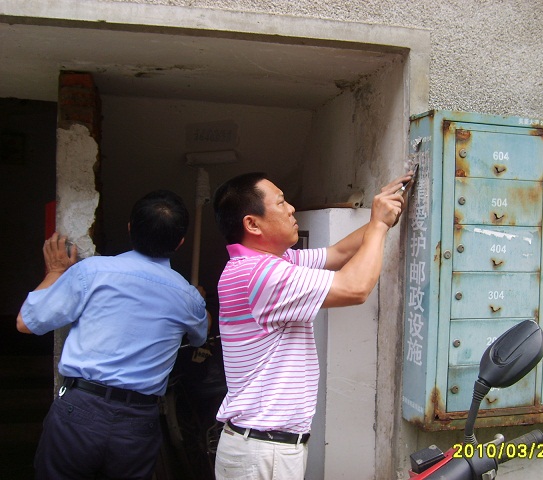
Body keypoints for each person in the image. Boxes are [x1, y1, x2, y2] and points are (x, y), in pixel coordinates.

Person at [211, 170, 413, 480]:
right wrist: (379, 225)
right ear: (252, 224)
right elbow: (355, 287)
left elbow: (338, 254)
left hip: (264, 447)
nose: (292, 208)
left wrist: (381, 216)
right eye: (281, 203)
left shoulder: (272, 263)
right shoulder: (261, 276)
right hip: (264, 452)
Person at [16, 189, 210, 480]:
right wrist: (199, 301)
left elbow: (26, 323)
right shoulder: (187, 296)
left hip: (80, 411)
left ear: (130, 228)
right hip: (138, 422)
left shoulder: (92, 271)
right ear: (180, 242)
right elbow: (200, 337)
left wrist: (55, 271)